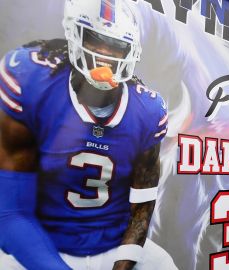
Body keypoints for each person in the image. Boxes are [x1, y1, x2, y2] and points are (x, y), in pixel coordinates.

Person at [0, 0, 177, 269]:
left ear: (131, 52)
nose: (105, 54)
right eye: (95, 40)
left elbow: (142, 206)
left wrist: (123, 265)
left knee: (163, 264)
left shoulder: (148, 110)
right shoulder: (31, 80)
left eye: (116, 46)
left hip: (112, 244)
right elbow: (11, 213)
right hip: (40, 241)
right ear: (74, 35)